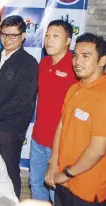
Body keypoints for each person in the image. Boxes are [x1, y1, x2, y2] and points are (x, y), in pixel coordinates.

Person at [0, 15, 38, 198]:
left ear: (23, 36)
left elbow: (22, 98)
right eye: (4, 34)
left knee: (9, 169)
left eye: (13, 35)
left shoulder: (29, 63)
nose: (7, 39)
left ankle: (12, 201)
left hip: (10, 128)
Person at [45, 33, 106, 205]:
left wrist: (66, 174)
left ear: (102, 61)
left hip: (87, 188)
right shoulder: (74, 88)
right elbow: (62, 126)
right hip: (64, 181)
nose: (78, 62)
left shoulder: (103, 95)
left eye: (86, 56)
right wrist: (53, 163)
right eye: (76, 56)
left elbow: (98, 150)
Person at [29, 20, 77, 202]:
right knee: (36, 184)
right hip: (38, 139)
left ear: (68, 41)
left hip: (61, 144)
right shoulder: (43, 63)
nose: (48, 40)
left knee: (56, 191)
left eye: (55, 36)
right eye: (47, 35)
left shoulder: (75, 67)